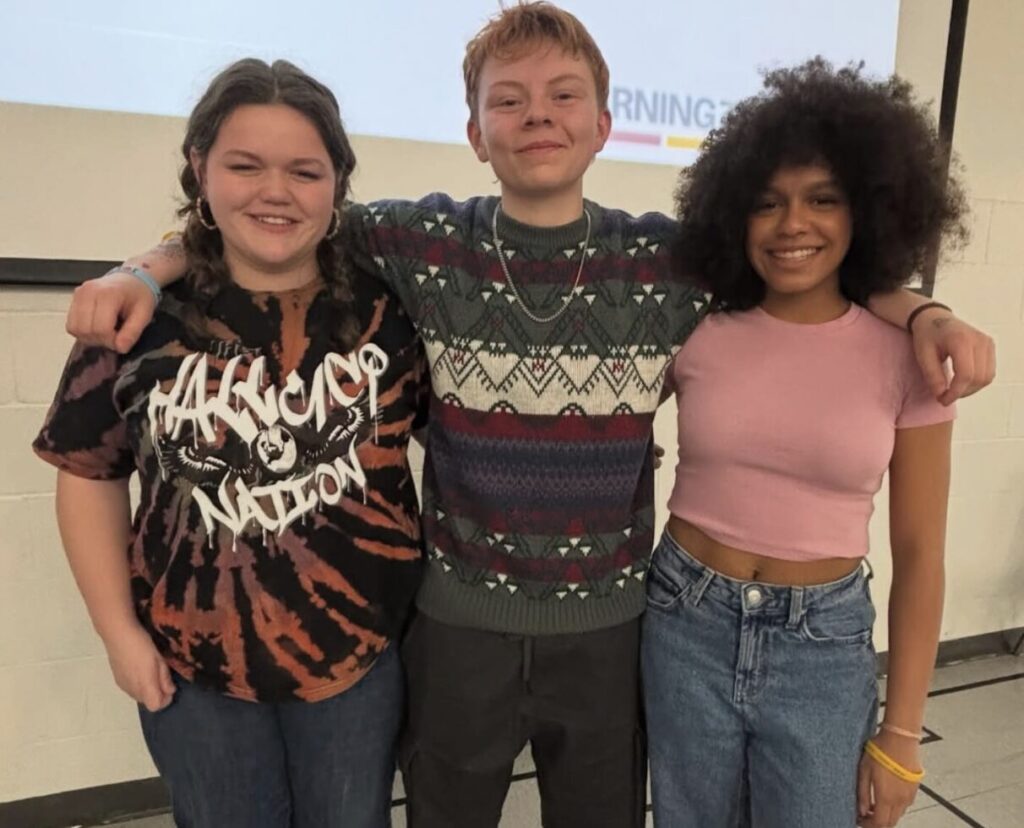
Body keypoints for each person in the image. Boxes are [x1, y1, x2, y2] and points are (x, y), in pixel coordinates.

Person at [60, 5, 995, 826]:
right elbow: (265, 216)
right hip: (456, 625)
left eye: (563, 96)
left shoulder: (669, 265)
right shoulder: (418, 242)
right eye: (508, 100)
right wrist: (143, 269)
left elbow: (803, 259)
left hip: (614, 627)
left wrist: (921, 307)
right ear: (474, 132)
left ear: (604, 125)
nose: (536, 115)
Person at [34, 58, 429, 828]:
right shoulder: (135, 318)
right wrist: (117, 635)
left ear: (338, 185)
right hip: (192, 672)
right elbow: (88, 473)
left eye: (304, 171)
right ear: (199, 168)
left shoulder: (392, 308)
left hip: (360, 665)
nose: (274, 191)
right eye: (244, 165)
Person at [642, 59, 961, 828]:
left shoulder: (910, 355)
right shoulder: (696, 328)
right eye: (767, 204)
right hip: (686, 622)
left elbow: (920, 555)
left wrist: (902, 736)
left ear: (869, 211)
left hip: (822, 648)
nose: (793, 225)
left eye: (823, 200)